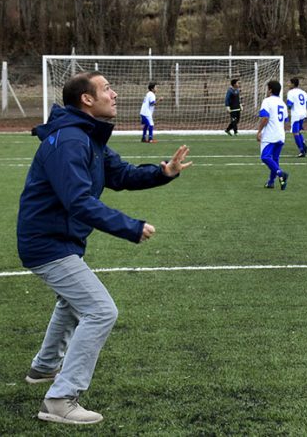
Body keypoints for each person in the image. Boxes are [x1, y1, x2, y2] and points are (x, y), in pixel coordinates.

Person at [17, 71, 191, 425]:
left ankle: (43, 368)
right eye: (107, 89)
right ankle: (60, 399)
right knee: (100, 310)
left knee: (72, 302)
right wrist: (130, 227)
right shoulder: (70, 140)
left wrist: (163, 173)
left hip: (60, 240)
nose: (114, 94)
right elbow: (78, 201)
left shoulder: (87, 137)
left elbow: (122, 175)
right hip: (47, 243)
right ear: (86, 99)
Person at [257, 80, 289, 189]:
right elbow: (285, 120)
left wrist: (259, 131)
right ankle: (271, 182)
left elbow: (265, 117)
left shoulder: (267, 101)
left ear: (270, 90)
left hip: (270, 135)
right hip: (280, 134)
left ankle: (281, 174)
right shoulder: (282, 104)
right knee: (275, 159)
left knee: (265, 157)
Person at [286, 78, 307, 157]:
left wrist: (289, 109)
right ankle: (303, 143)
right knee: (298, 131)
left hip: (296, 115)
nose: (288, 84)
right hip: (303, 114)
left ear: (293, 84)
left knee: (295, 133)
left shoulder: (290, 92)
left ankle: (301, 150)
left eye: (289, 83)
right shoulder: (303, 92)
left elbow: (290, 104)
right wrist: (303, 108)